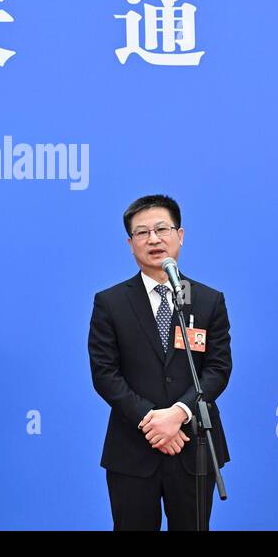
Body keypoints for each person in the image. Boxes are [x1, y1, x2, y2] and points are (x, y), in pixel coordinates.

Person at [87, 194, 232, 530]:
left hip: (193, 446)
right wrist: (153, 422)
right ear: (130, 243)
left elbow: (218, 369)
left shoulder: (209, 301)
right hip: (134, 450)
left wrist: (179, 413)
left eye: (161, 229)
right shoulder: (110, 303)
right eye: (142, 233)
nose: (153, 239)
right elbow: (105, 374)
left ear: (179, 235)